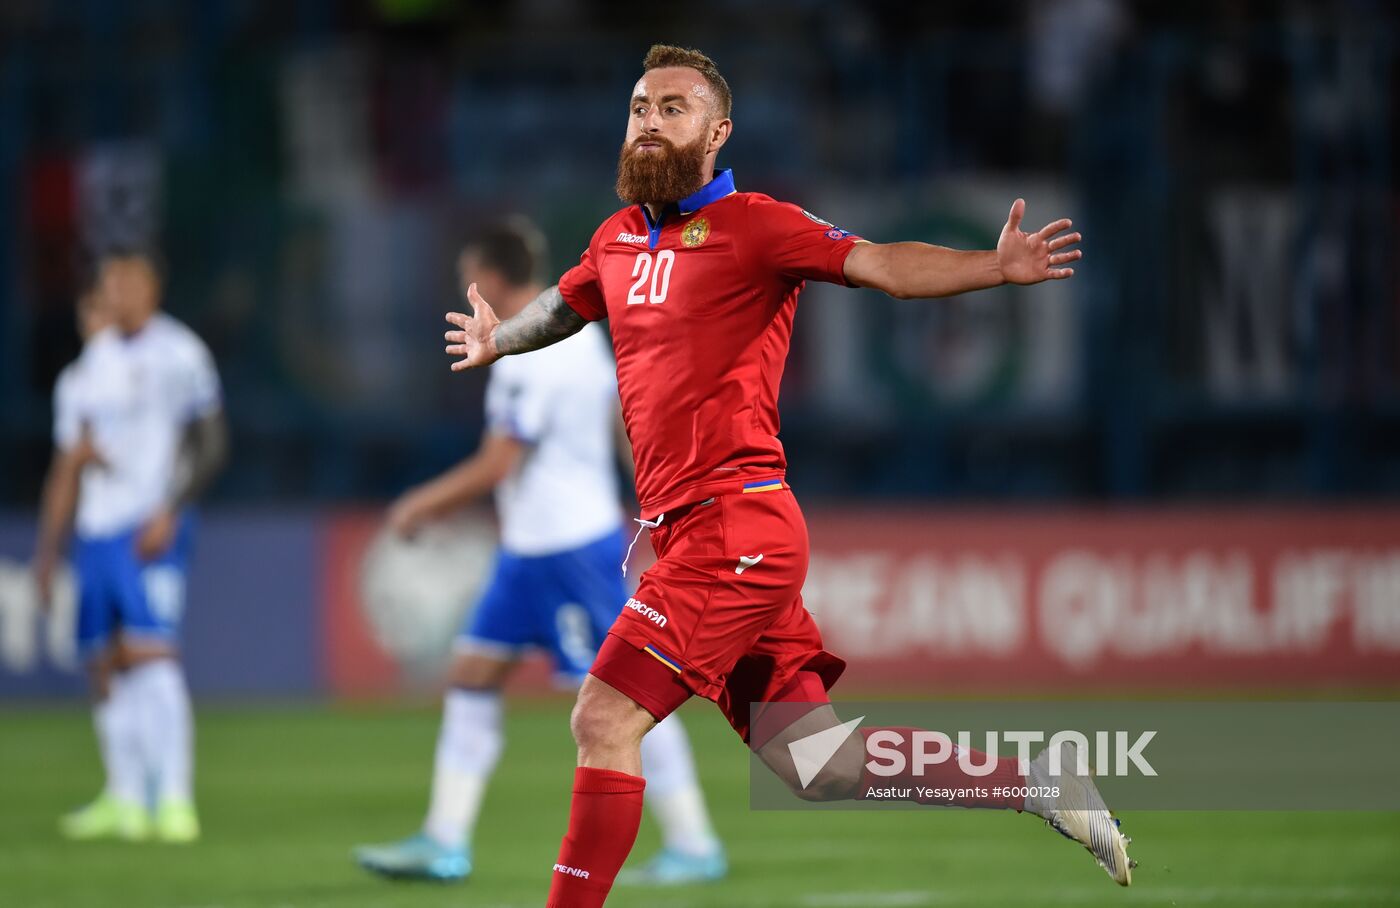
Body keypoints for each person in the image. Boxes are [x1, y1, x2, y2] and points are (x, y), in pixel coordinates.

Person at [444, 45, 1130, 907]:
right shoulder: (616, 238)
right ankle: (1037, 786)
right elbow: (569, 305)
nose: (650, 121)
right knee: (817, 762)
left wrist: (993, 266)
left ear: (718, 130)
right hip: (693, 535)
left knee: (603, 716)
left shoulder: (758, 226)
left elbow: (882, 264)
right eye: (640, 107)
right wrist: (499, 338)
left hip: (736, 527)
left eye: (674, 108)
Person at [354, 220, 726, 886]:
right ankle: (444, 840)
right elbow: (622, 423)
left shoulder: (532, 350)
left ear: (493, 278)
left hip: (568, 551)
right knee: (472, 674)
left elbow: (500, 462)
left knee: (623, 698)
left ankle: (695, 841)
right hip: (529, 552)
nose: (465, 290)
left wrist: (419, 505)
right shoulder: (578, 337)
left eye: (470, 276)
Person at [34, 251, 227, 843]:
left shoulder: (180, 352)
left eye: (128, 282)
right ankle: (124, 797)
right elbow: (67, 466)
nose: (117, 294)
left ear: (152, 287)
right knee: (103, 661)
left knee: (151, 652)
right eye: (109, 285)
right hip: (95, 532)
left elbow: (211, 439)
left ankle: (174, 800)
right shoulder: (83, 373)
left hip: (149, 525)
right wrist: (48, 552)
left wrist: (172, 508)